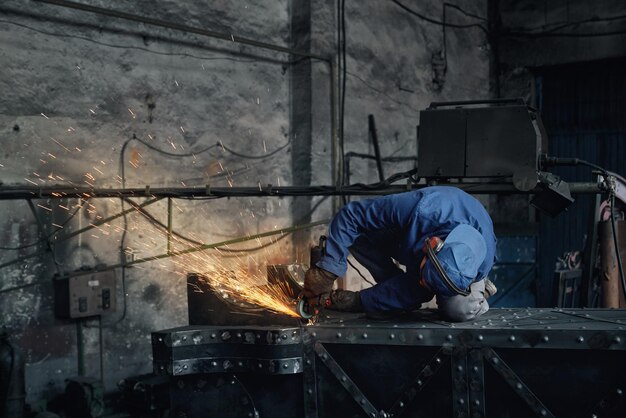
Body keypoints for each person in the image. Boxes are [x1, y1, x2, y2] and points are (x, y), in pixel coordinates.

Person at [302, 186, 497, 322]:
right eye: (422, 279)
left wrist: (359, 301)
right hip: (417, 230)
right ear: (432, 244)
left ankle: (479, 293)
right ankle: (392, 292)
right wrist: (327, 270)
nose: (421, 285)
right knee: (358, 234)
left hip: (461, 269)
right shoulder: (421, 209)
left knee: (457, 310)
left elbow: (419, 290)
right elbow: (351, 216)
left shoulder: (481, 263)